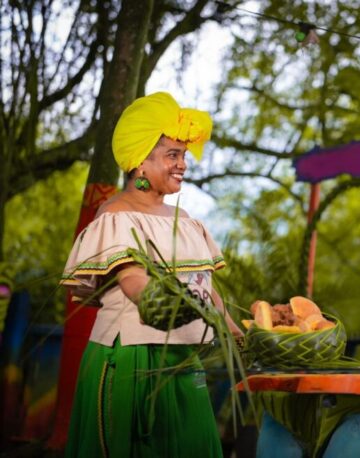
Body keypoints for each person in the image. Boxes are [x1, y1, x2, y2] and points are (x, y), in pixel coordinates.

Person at [60, 92, 243, 457]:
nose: (182, 165)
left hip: (183, 358)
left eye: (183, 155)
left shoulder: (185, 221)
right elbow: (132, 279)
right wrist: (157, 301)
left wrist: (234, 331)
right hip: (133, 357)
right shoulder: (116, 215)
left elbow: (203, 288)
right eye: (172, 155)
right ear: (141, 162)